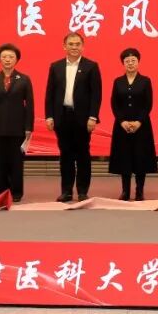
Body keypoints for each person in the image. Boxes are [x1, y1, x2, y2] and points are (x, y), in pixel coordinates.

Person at [45, 32, 101, 202]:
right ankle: (66, 191)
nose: (74, 47)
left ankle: (82, 191)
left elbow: (96, 94)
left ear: (82, 47)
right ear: (64, 46)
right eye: (71, 44)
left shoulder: (91, 66)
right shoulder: (56, 66)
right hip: (62, 116)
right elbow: (50, 93)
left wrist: (93, 117)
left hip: (83, 118)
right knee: (66, 155)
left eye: (77, 44)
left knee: (83, 154)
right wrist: (49, 116)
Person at [0, 43, 34, 203]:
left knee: (16, 162)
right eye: (4, 57)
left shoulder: (24, 79)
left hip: (18, 128)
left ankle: (16, 192)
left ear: (16, 59)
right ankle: (2, 192)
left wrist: (29, 127)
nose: (7, 59)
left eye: (11, 57)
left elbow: (30, 105)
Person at [108, 48, 157, 201]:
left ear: (138, 62)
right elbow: (114, 104)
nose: (130, 63)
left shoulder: (145, 81)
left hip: (141, 126)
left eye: (133, 60)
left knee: (140, 158)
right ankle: (125, 191)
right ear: (123, 63)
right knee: (124, 158)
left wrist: (138, 122)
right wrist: (122, 121)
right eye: (127, 61)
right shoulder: (118, 81)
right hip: (122, 127)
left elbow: (148, 104)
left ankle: (139, 191)